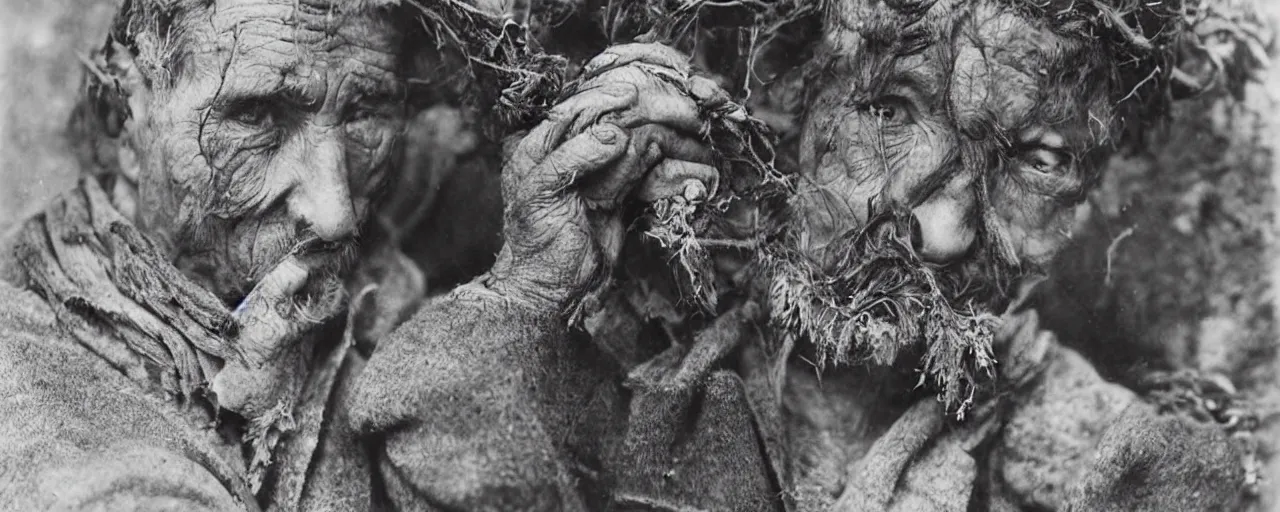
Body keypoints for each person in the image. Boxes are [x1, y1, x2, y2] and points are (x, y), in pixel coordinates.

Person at [351, 0, 1268, 510]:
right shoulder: (614, 371)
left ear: (1086, 203)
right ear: (788, 107)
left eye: (1041, 159)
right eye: (891, 112)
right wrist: (525, 296)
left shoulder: (1118, 470)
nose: (946, 232)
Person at [0, 0, 454, 509]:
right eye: (256, 116)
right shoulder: (21, 380)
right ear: (122, 122)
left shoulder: (394, 292)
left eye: (363, 114)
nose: (336, 217)